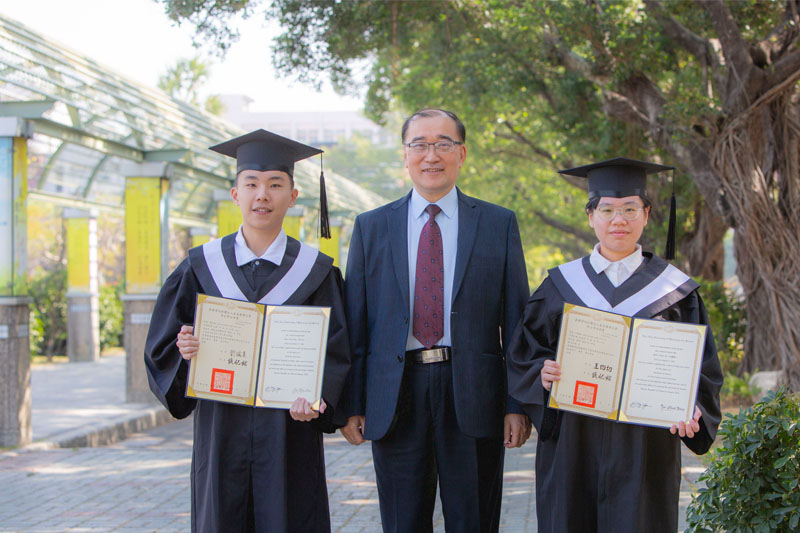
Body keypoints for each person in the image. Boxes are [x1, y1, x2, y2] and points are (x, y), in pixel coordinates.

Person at [144, 129, 351, 533]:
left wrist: (320, 397)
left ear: (292, 196)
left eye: (275, 184)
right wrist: (185, 351)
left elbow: (338, 351)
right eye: (251, 184)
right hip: (222, 429)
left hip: (291, 432)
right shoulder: (200, 267)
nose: (263, 196)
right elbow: (163, 348)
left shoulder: (317, 272)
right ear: (235, 193)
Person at [339, 108, 531, 532]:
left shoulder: (498, 223)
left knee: (474, 520)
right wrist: (351, 403)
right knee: (402, 521)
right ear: (405, 155)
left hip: (475, 394)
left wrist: (517, 404)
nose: (432, 154)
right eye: (420, 144)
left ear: (461, 153)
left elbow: (518, 319)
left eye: (443, 143)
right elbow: (356, 319)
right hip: (395, 393)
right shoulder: (372, 227)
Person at [506, 157, 723, 532]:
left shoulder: (675, 291)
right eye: (606, 209)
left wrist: (693, 408)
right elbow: (524, 351)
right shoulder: (560, 285)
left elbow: (702, 368)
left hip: (646, 446)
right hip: (574, 444)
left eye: (629, 209)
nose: (618, 219)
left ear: (647, 214)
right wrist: (541, 373)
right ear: (591, 216)